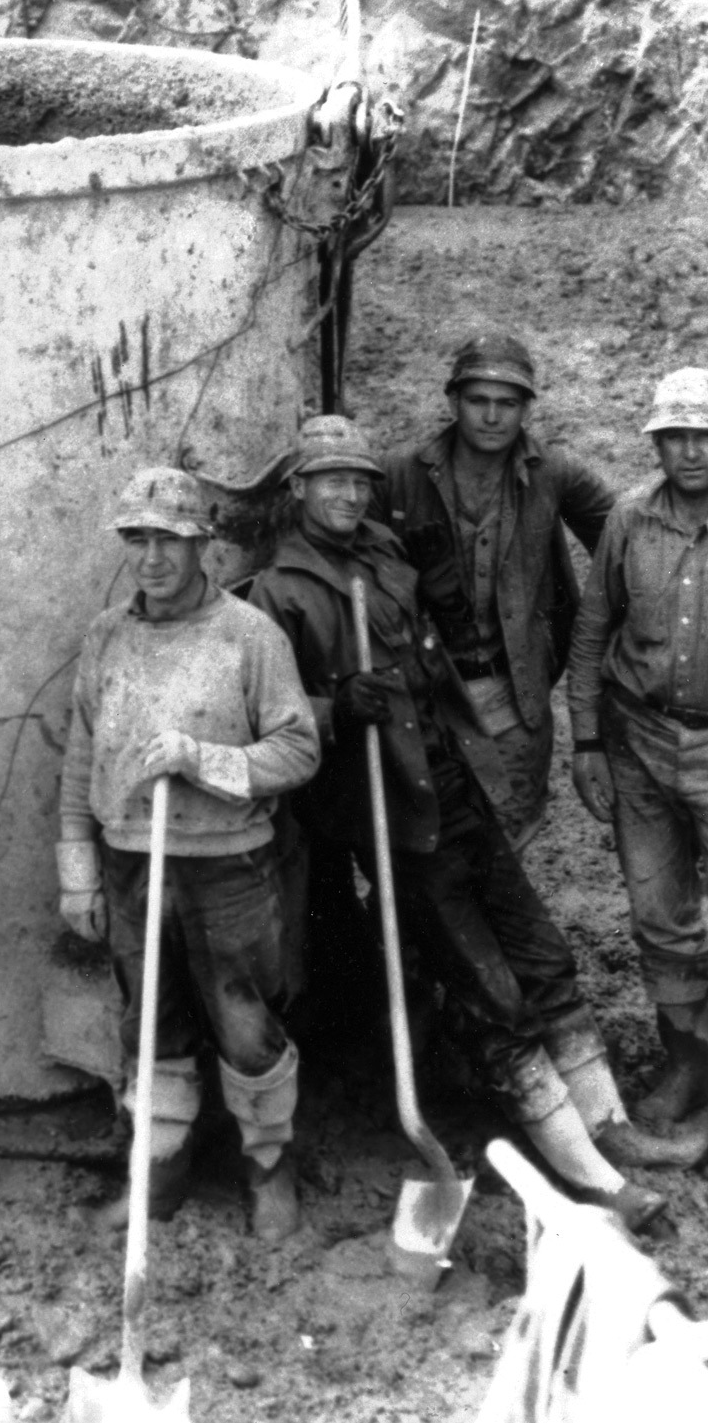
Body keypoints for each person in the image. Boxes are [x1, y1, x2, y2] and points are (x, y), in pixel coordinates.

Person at [249, 415, 701, 1231]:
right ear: (298, 491)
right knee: (492, 990)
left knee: (541, 950)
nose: (349, 492)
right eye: (330, 481)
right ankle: (587, 1172)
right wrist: (329, 707)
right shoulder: (277, 590)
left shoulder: (383, 555)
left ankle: (611, 1126)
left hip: (453, 783)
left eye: (359, 479)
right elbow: (262, 717)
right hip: (388, 810)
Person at [57, 468, 319, 1240]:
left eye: (169, 540)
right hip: (133, 860)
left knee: (245, 1025)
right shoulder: (107, 635)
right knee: (151, 1023)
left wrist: (201, 758)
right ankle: (159, 1176)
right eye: (138, 540)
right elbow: (80, 757)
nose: (152, 558)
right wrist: (78, 870)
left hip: (229, 864)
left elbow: (298, 749)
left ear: (202, 545)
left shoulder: (248, 635)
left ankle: (271, 1167)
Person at [380, 332, 613, 851]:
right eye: (478, 401)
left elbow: (624, 543)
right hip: (427, 690)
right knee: (425, 839)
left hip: (513, 689)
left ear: (525, 409)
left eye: (507, 403)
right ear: (453, 402)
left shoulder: (554, 473)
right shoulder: (400, 473)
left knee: (508, 835)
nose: (492, 417)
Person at [567, 368, 708, 1127]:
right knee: (660, 912)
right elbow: (592, 631)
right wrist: (586, 738)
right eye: (676, 436)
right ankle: (686, 1063)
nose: (691, 451)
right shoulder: (628, 518)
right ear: (656, 442)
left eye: (703, 435)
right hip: (640, 740)